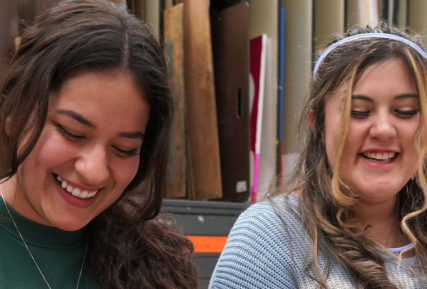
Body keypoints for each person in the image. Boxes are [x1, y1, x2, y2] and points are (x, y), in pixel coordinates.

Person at [209, 23, 427, 288]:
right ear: (319, 126)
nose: (383, 129)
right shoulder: (271, 236)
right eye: (358, 111)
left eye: (405, 111)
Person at [0, 0, 197, 288]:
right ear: (14, 116)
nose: (94, 171)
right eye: (72, 132)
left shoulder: (160, 266)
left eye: (124, 149)